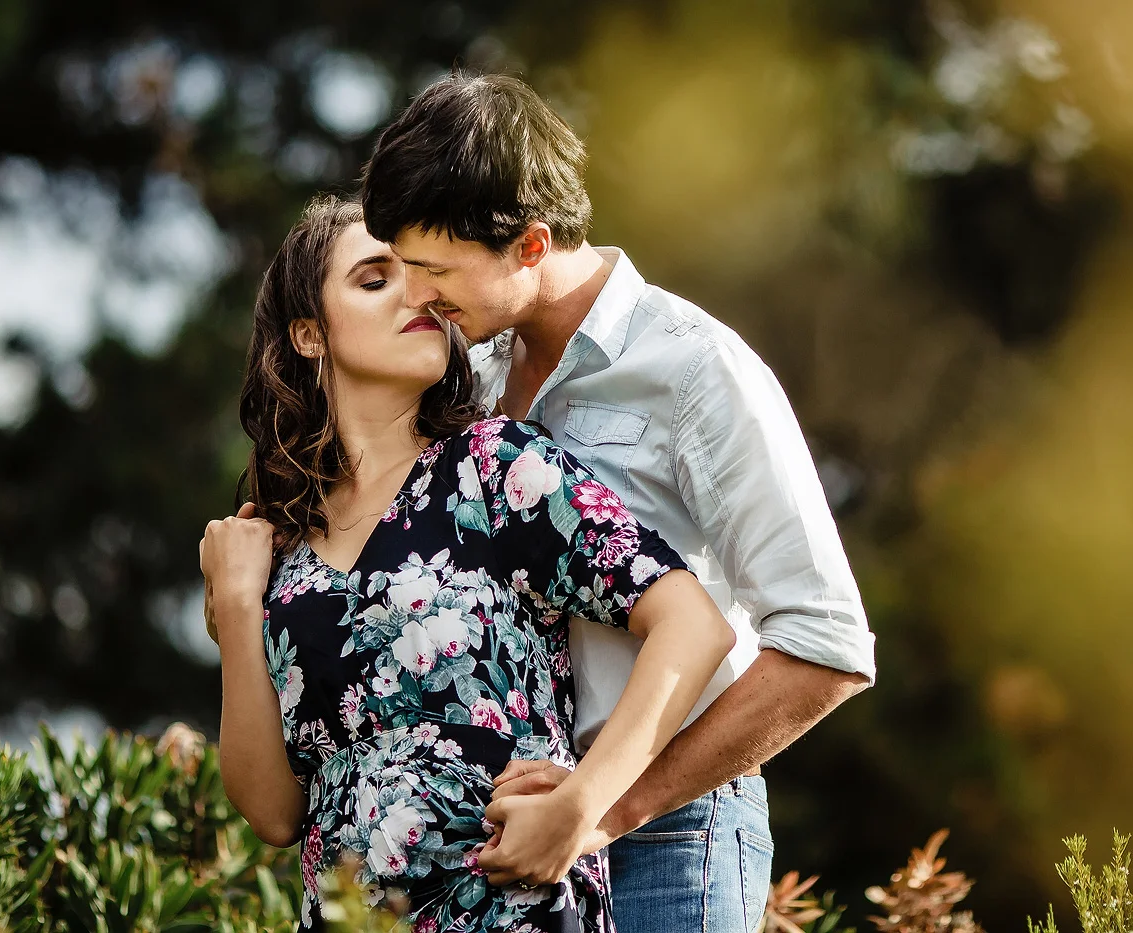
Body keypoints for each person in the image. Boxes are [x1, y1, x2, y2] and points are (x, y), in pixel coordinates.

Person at [360, 74, 877, 932]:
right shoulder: (469, 380)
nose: (417, 297)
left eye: (434, 270)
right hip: (500, 844)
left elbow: (827, 644)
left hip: (673, 838)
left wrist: (605, 808)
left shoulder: (696, 370)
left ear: (530, 244)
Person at [199, 195, 735, 931]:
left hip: (514, 912)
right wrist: (235, 606)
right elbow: (274, 811)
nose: (417, 294)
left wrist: (586, 804)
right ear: (308, 333)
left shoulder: (493, 467)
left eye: (419, 274)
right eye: (374, 278)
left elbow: (693, 624)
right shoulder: (279, 556)